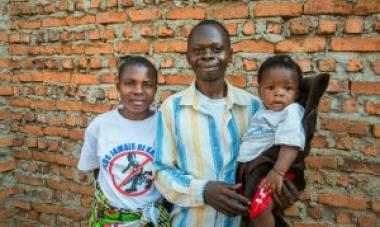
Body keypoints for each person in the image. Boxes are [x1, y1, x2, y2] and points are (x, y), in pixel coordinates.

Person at [153, 20, 299, 227]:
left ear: (231, 54)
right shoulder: (171, 108)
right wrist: (203, 191)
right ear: (188, 57)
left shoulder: (254, 107)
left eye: (217, 49)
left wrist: (283, 187)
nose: (207, 55)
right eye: (197, 50)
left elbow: (272, 160)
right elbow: (160, 171)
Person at [77, 56, 169, 227]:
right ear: (118, 85)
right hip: (109, 220)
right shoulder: (100, 125)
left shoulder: (165, 126)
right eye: (130, 83)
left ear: (155, 88)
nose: (138, 91)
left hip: (151, 220)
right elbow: (98, 171)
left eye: (147, 84)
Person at [237, 55, 305, 227]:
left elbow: (291, 142)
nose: (279, 92)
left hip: (273, 171)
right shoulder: (262, 112)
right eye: (271, 87)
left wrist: (278, 172)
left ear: (296, 94)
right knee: (250, 211)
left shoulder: (291, 112)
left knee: (260, 210)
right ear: (260, 91)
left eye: (287, 88)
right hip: (254, 172)